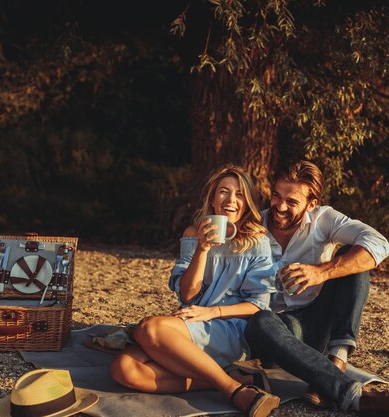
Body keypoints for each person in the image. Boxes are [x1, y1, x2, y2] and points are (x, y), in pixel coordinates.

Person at [240, 160, 389, 416]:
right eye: (276, 196)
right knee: (260, 320)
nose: (279, 206)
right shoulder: (254, 225)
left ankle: (337, 360)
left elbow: (379, 243)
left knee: (354, 259)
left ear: (311, 204)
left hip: (315, 323)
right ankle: (351, 395)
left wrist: (321, 271)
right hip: (276, 333)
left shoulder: (323, 219)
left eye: (292, 202)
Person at [110, 165, 280, 417]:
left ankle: (232, 390)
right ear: (212, 198)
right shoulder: (193, 235)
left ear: (248, 202)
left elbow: (258, 305)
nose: (231, 200)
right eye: (224, 191)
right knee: (123, 369)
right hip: (192, 318)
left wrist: (212, 312)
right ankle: (230, 377)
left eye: (239, 194)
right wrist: (202, 249)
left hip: (231, 326)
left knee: (148, 328)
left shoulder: (258, 242)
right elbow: (187, 295)